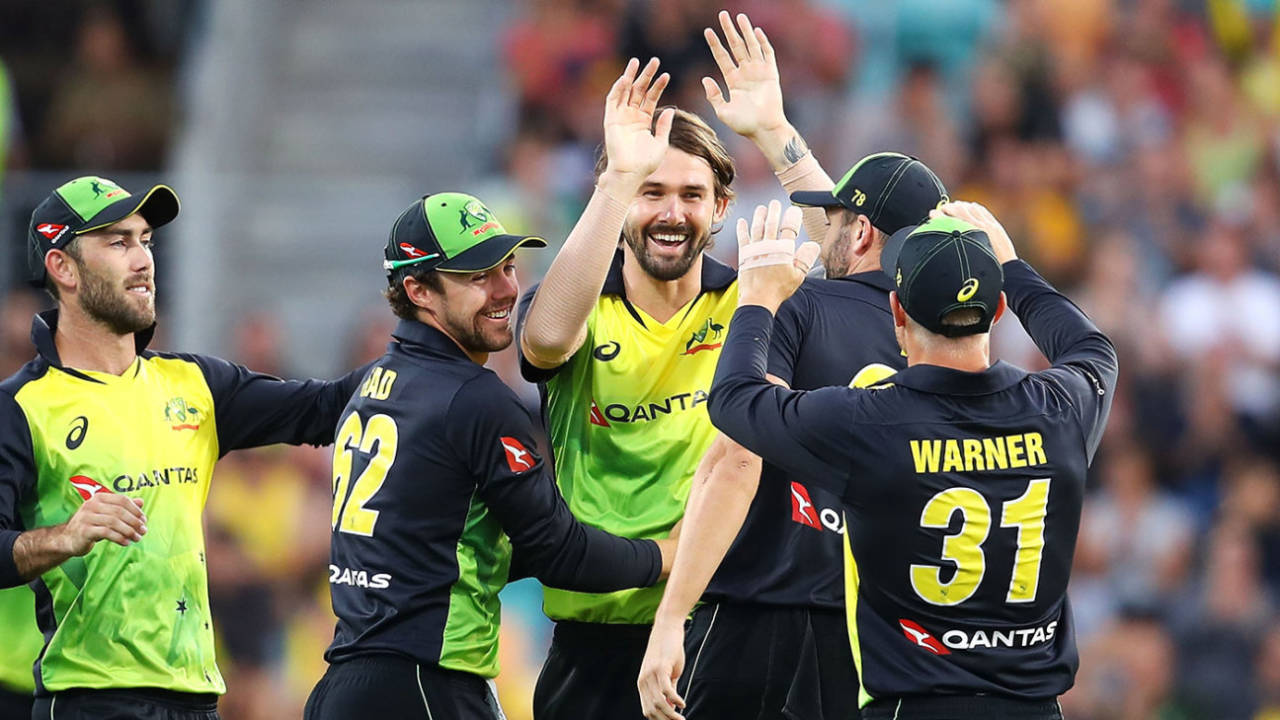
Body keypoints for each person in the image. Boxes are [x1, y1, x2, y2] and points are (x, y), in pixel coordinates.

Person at [638, 13, 949, 720]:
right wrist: (776, 133)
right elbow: (864, 250)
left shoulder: (797, 307)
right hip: (879, 641)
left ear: (862, 232)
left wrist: (669, 618)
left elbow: (733, 463)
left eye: (837, 219)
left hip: (755, 617)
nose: (825, 228)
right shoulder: (947, 347)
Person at [706, 200, 1117, 720]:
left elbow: (734, 399)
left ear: (898, 312)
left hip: (913, 704)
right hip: (1034, 707)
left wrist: (758, 298)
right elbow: (1093, 348)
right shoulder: (1063, 407)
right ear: (996, 310)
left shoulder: (866, 421)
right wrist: (1012, 266)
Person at [0, 176, 369, 720]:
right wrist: (64, 536)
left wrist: (422, 349)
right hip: (88, 701)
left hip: (196, 698)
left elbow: (326, 406)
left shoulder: (195, 384)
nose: (144, 259)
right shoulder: (21, 407)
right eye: (119, 242)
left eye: (146, 240)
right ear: (63, 268)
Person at [304, 192, 676, 719]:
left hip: (343, 687)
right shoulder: (475, 397)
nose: (506, 290)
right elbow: (557, 553)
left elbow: (454, 542)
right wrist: (670, 556)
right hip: (427, 685)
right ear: (418, 289)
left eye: (507, 266)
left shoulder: (373, 382)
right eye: (478, 276)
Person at [516, 58, 740, 719]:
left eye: (691, 195)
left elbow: (857, 286)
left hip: (711, 631)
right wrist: (616, 179)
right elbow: (545, 343)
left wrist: (777, 133)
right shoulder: (579, 306)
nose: (671, 213)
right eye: (651, 191)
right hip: (592, 640)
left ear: (721, 206)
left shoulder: (748, 304)